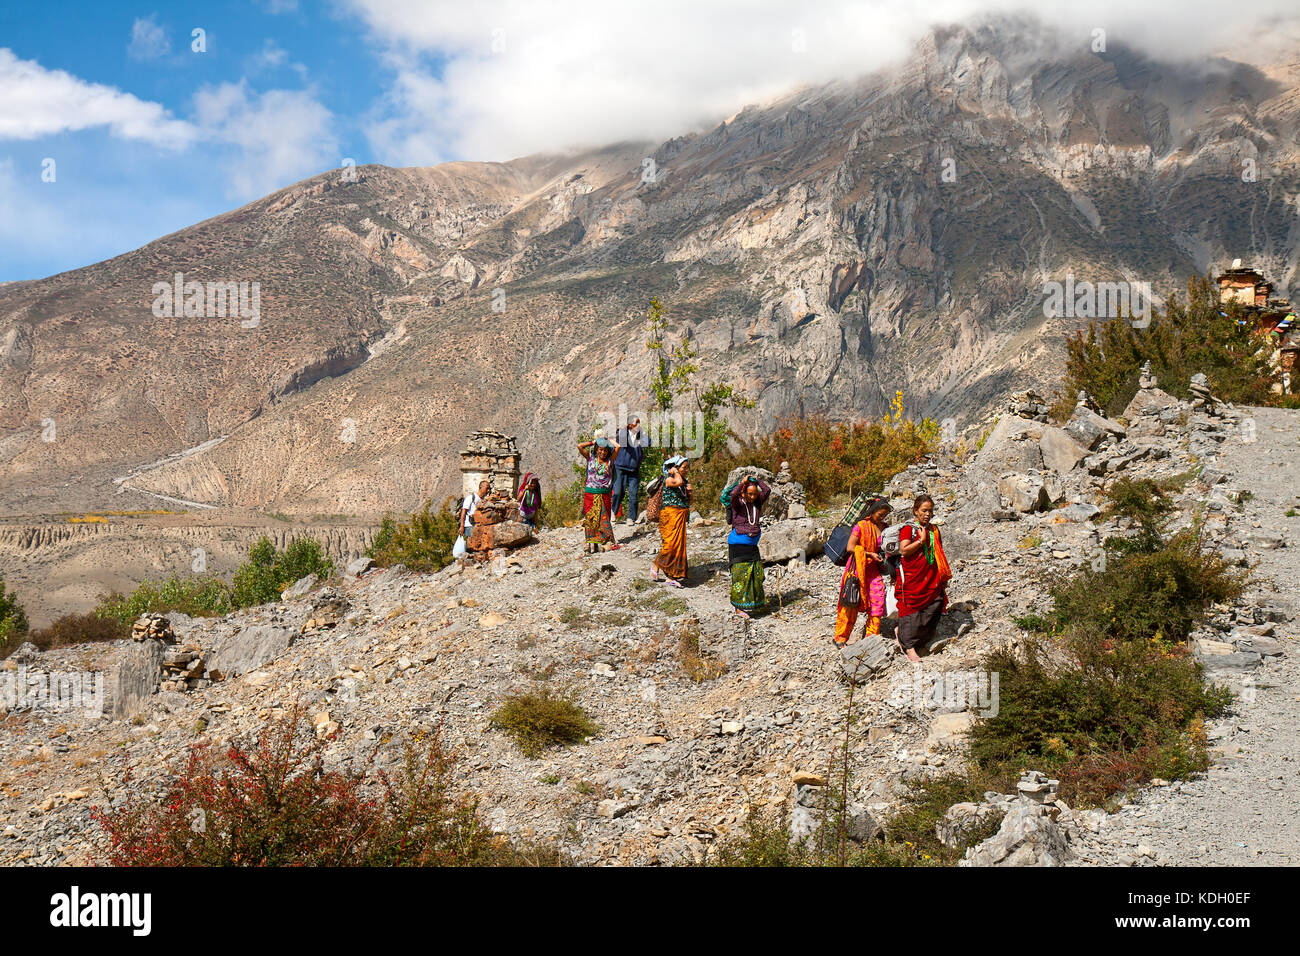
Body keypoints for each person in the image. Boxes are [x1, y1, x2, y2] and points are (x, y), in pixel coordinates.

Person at [895, 494, 952, 662]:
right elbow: (904, 550)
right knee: (911, 611)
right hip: (913, 577)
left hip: (931, 575)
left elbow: (939, 552)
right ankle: (909, 646)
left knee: (935, 605)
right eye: (924, 510)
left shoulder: (934, 529)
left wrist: (943, 575)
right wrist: (921, 541)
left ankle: (919, 641)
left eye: (930, 511)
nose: (928, 514)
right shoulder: (909, 529)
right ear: (915, 511)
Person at [833, 498, 891, 646]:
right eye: (880, 514)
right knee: (850, 602)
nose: (882, 517)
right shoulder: (861, 526)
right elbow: (851, 547)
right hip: (857, 569)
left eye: (885, 515)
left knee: (877, 601)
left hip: (873, 570)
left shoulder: (885, 527)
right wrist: (869, 554)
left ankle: (871, 637)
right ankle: (840, 638)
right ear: (872, 512)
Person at [727, 474, 771, 617]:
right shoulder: (737, 504)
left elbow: (767, 490)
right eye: (749, 494)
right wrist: (743, 482)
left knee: (756, 574)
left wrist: (756, 480)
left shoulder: (757, 503)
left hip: (752, 547)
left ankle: (752, 603)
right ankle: (738, 607)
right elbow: (733, 493)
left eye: (754, 494)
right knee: (740, 576)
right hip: (738, 547)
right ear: (744, 492)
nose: (752, 497)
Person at [650, 454, 691, 587]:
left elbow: (688, 500)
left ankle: (671, 577)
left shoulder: (684, 481)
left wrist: (691, 493)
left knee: (678, 547)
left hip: (680, 515)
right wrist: (675, 472)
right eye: (683, 467)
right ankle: (657, 563)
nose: (686, 470)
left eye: (687, 467)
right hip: (670, 515)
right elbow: (678, 482)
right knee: (670, 545)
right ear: (675, 467)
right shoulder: (668, 480)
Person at [578, 436, 620, 554]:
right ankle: (590, 542)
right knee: (591, 518)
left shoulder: (610, 461)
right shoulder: (590, 458)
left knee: (603, 519)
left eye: (605, 450)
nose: (602, 452)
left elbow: (618, 447)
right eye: (600, 449)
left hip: (604, 495)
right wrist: (593, 441)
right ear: (596, 449)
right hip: (590, 494)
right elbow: (579, 446)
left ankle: (602, 542)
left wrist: (608, 439)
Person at [612, 417, 645, 525]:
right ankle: (613, 512)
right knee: (617, 492)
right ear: (630, 424)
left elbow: (648, 442)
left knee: (633, 494)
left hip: (634, 469)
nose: (638, 425)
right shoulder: (623, 433)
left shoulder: (640, 434)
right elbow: (621, 440)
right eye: (636, 423)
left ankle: (631, 517)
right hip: (620, 467)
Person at [459, 478, 489, 543]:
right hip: (469, 526)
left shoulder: (482, 500)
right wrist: (462, 526)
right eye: (487, 488)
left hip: (477, 526)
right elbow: (463, 512)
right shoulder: (471, 498)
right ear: (481, 487)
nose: (488, 490)